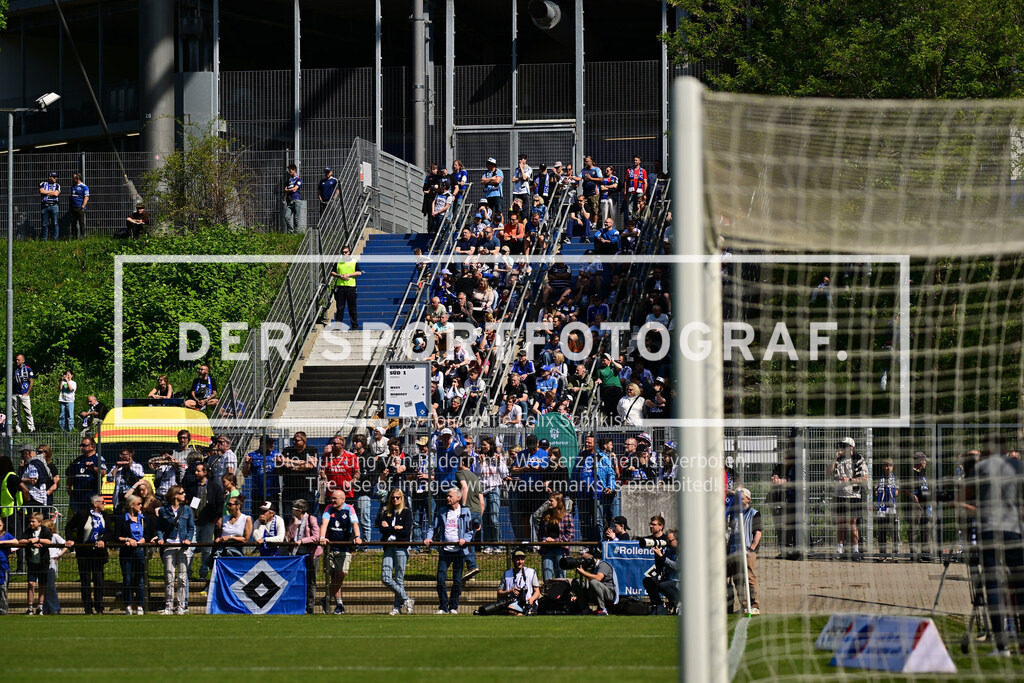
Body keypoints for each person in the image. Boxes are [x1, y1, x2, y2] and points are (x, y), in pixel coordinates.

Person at [965, 432, 1024, 656]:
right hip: (1014, 532)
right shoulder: (1018, 467)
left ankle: (1002, 646)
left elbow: (964, 499)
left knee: (994, 586)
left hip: (990, 531)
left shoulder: (981, 468)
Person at [424, 486, 474, 614]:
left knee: (457, 581)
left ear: (458, 497)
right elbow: (433, 527)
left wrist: (465, 540)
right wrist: (428, 538)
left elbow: (470, 531)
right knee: (441, 579)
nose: (448, 498)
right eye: (447, 496)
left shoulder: (465, 512)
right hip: (445, 550)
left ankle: (453, 607)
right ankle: (443, 607)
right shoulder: (442, 511)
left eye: (450, 496)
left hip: (459, 551)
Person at [64, 493, 113, 614]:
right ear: (95, 503)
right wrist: (70, 539)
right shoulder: (82, 514)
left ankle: (99, 607)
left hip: (98, 552)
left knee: (98, 580)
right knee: (85, 580)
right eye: (102, 502)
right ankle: (87, 608)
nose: (104, 504)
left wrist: (103, 540)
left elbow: (110, 532)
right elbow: (69, 527)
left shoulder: (105, 516)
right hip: (84, 552)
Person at [320, 489, 362, 614]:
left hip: (344, 548)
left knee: (341, 575)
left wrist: (357, 536)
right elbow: (324, 523)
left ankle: (326, 598)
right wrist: (322, 537)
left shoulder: (349, 508)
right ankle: (339, 605)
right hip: (331, 548)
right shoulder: (328, 508)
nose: (332, 500)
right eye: (332, 498)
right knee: (333, 577)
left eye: (335, 498)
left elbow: (355, 523)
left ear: (343, 499)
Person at [155, 485, 195, 615]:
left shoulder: (187, 510)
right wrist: (161, 538)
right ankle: (168, 606)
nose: (184, 495)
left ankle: (181, 606)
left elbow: (191, 527)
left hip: (183, 546)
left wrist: (188, 539)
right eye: (182, 493)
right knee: (169, 577)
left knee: (183, 578)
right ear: (175, 495)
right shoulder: (163, 510)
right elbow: (159, 527)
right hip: (169, 545)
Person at [828, 437, 868, 559]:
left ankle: (855, 551)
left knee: (852, 522)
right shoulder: (838, 459)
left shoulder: (858, 458)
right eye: (841, 445)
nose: (842, 448)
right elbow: (828, 472)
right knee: (841, 523)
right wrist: (834, 458)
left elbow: (865, 478)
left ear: (851, 447)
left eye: (845, 445)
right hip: (839, 494)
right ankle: (839, 550)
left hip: (853, 495)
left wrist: (850, 480)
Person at [378, 488, 415, 615]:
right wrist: (394, 528)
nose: (395, 500)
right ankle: (406, 599)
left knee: (399, 578)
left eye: (397, 497)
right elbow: (381, 530)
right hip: (388, 547)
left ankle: (396, 607)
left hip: (401, 548)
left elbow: (405, 532)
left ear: (402, 499)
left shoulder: (406, 512)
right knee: (385, 577)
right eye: (393, 497)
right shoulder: (386, 512)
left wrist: (389, 528)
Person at [184, 462, 223, 582]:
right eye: (195, 471)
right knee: (190, 547)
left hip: (208, 522)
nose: (196, 473)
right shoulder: (192, 487)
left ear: (205, 472)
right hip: (194, 522)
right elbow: (188, 503)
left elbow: (220, 504)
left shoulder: (215, 487)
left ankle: (204, 573)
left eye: (198, 471)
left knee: (206, 548)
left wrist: (216, 518)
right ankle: (187, 573)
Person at [726, 488, 762, 615]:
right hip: (735, 551)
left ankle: (754, 605)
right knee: (738, 579)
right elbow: (732, 533)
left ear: (748, 499)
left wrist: (751, 549)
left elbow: (758, 533)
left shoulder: (754, 513)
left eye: (741, 499)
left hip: (747, 551)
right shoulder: (734, 514)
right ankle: (744, 605)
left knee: (749, 577)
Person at [117, 495, 152, 614]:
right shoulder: (122, 519)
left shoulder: (143, 519)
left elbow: (148, 534)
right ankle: (128, 605)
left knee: (140, 579)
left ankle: (140, 605)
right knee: (127, 578)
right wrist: (127, 539)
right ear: (131, 505)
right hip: (127, 552)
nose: (140, 506)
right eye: (138, 504)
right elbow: (116, 535)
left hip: (140, 550)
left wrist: (143, 540)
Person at [287, 499, 322, 613]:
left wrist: (302, 541)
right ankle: (298, 604)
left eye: (294, 509)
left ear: (300, 510)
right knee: (297, 579)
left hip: (311, 554)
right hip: (297, 554)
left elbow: (316, 536)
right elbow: (290, 535)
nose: (292, 511)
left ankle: (310, 606)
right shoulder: (294, 520)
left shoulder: (311, 519)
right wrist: (295, 525)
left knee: (311, 580)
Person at [534, 492, 576, 581]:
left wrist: (555, 540)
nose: (549, 502)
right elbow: (540, 532)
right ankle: (548, 593)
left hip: (561, 550)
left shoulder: (567, 517)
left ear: (558, 502)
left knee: (560, 576)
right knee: (547, 576)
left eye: (551, 501)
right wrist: (544, 540)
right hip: (547, 549)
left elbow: (571, 535)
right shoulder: (545, 516)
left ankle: (561, 594)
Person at [456, 456, 484, 583]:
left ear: (462, 463)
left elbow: (464, 487)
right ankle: (470, 573)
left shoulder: (460, 473)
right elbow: (482, 502)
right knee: (470, 541)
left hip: (468, 512)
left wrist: (463, 507)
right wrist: (480, 518)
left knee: (464, 541)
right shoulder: (475, 477)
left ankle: (472, 566)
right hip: (477, 512)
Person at [279, 431, 319, 516]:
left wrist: (290, 465)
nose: (294, 442)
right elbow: (280, 460)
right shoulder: (287, 450)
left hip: (307, 488)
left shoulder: (312, 450)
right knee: (288, 515)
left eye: (297, 440)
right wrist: (299, 462)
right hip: (290, 488)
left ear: (304, 441)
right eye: (293, 439)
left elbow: (311, 465)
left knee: (308, 515)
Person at [19, 511, 52, 614]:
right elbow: (20, 540)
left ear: (39, 522)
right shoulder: (28, 531)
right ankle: (30, 607)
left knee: (42, 583)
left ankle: (40, 606)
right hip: (32, 561)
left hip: (43, 561)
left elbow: (49, 541)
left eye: (33, 521)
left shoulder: (45, 530)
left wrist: (37, 540)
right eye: (30, 521)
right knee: (31, 583)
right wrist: (30, 542)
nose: (31, 523)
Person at [643, 528, 679, 615]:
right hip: (669, 580)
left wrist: (662, 557)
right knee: (648, 581)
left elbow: (676, 566)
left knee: (663, 585)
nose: (668, 543)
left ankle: (679, 605)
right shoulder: (669, 551)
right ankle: (659, 605)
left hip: (679, 583)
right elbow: (660, 566)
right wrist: (658, 556)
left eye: (670, 541)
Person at [769, 448, 797, 558]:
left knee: (789, 525)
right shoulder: (778, 467)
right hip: (776, 499)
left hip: (789, 501)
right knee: (778, 526)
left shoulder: (793, 468)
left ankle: (790, 549)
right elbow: (773, 480)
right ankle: (783, 550)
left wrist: (781, 481)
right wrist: (779, 481)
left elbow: (791, 482)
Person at [65, 436, 105, 514]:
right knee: (77, 518)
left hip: (91, 495)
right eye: (81, 445)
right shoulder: (78, 460)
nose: (82, 448)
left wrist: (93, 468)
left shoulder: (98, 459)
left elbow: (103, 473)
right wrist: (68, 487)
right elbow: (70, 474)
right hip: (77, 496)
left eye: (84, 445)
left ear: (92, 446)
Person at [495, 549, 540, 615]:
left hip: (528, 602)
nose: (520, 562)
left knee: (510, 609)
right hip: (512, 603)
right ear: (513, 560)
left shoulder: (531, 572)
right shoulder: (506, 574)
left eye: (522, 559)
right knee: (509, 608)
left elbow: (537, 591)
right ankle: (522, 614)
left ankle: (522, 614)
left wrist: (532, 599)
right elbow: (499, 593)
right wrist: (510, 591)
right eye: (518, 559)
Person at [575, 547, 617, 615]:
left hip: (609, 594)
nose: (584, 563)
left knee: (593, 582)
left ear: (591, 559)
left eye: (585, 560)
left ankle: (602, 609)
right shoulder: (592, 567)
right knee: (577, 582)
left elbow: (598, 578)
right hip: (596, 592)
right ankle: (585, 609)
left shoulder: (603, 564)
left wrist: (584, 573)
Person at [331, 245, 363, 330]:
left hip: (351, 287)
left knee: (352, 307)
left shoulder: (353, 261)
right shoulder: (338, 261)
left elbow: (359, 272)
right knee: (340, 308)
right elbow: (332, 272)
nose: (344, 254)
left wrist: (348, 275)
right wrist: (339, 275)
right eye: (343, 252)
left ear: (349, 252)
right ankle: (338, 327)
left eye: (346, 252)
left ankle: (354, 326)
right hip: (340, 287)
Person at [875, 458, 900, 562]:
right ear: (883, 466)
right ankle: (883, 554)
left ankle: (895, 554)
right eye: (885, 465)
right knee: (882, 532)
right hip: (882, 509)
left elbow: (897, 492)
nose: (887, 468)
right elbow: (876, 491)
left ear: (892, 467)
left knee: (894, 532)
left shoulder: (895, 479)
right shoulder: (879, 479)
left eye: (889, 466)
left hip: (892, 508)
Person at [909, 451, 933, 561]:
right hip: (916, 504)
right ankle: (913, 554)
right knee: (915, 528)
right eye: (923, 460)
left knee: (926, 527)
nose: (925, 462)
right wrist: (912, 496)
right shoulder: (910, 473)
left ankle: (926, 553)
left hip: (925, 503)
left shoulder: (924, 472)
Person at [12, 353, 35, 434]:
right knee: (16, 412)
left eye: (18, 360)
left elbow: (31, 381)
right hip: (15, 393)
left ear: (23, 360)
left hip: (24, 393)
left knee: (27, 411)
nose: (17, 361)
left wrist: (28, 392)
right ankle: (19, 428)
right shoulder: (15, 369)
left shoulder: (28, 369)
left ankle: (31, 429)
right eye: (16, 359)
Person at [0, 517, 18, 614]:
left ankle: (3, 610)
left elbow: (16, 541)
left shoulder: (6, 535)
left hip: (2, 566)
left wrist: (2, 542)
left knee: (3, 588)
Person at [39, 170, 60, 241]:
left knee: (55, 223)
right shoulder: (43, 184)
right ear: (50, 177)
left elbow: (56, 194)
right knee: (44, 224)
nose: (55, 178)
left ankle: (55, 239)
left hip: (54, 206)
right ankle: (44, 239)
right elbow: (41, 191)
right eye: (54, 177)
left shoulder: (57, 185)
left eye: (56, 177)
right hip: (45, 206)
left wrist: (47, 192)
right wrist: (51, 192)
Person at [68, 172, 89, 238]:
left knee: (81, 223)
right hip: (73, 207)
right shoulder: (73, 186)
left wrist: (82, 207)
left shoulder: (84, 187)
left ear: (78, 178)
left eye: (74, 178)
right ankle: (74, 237)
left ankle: (82, 237)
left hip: (80, 208)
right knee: (73, 223)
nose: (72, 179)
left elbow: (86, 197)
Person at [284, 163, 303, 233]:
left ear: (294, 170)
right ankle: (291, 231)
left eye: (290, 170)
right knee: (286, 217)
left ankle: (296, 233)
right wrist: (290, 189)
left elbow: (295, 189)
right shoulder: (289, 181)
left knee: (296, 218)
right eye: (289, 170)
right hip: (290, 201)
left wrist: (289, 189)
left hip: (296, 200)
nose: (289, 172)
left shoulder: (299, 180)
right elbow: (285, 190)